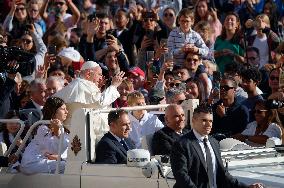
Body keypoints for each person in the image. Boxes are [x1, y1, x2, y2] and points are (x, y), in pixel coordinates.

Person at [170, 103, 263, 188]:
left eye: (210, 121)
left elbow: (223, 174)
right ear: (193, 120)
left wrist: (247, 187)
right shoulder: (181, 144)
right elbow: (181, 176)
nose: (208, 124)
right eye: (204, 120)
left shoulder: (214, 142)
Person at [54, 61, 125, 127]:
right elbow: (100, 103)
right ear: (88, 74)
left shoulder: (78, 84)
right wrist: (114, 86)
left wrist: (98, 90)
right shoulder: (81, 84)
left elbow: (91, 104)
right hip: (81, 130)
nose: (101, 78)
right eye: (99, 74)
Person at [20, 97, 69, 174]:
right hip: (32, 163)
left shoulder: (63, 129)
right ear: (54, 111)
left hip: (44, 161)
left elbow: (64, 150)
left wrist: (61, 157)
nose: (67, 111)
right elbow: (54, 150)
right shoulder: (43, 128)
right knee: (68, 166)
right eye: (63, 109)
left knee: (71, 165)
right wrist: (57, 133)